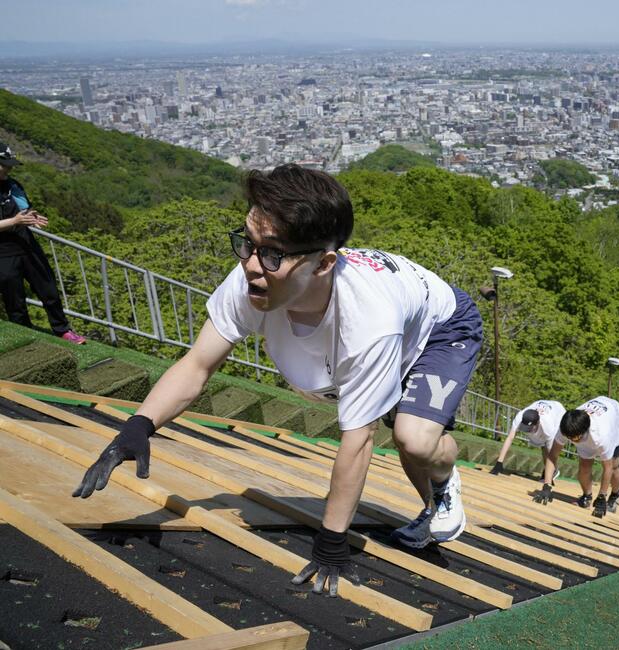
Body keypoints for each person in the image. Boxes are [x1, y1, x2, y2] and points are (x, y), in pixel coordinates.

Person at [72, 164, 482, 596]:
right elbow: (197, 365)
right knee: (401, 429)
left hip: (442, 327)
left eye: (271, 253)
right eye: (247, 244)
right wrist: (139, 427)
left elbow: (357, 441)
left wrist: (331, 543)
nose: (251, 265)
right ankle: (432, 499)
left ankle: (444, 481)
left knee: (413, 438)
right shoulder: (253, 278)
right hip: (394, 321)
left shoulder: (367, 323)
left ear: (323, 264)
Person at [0, 142, 85, 344]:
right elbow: (15, 219)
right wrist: (14, 221)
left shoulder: (13, 185)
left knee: (47, 287)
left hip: (26, 244)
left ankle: (62, 329)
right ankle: (25, 337)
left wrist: (31, 217)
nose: (9, 169)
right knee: (15, 299)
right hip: (3, 253)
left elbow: (25, 209)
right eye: (4, 165)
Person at [534, 396, 619, 518]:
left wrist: (602, 496)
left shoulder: (602, 435)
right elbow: (552, 456)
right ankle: (587, 496)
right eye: (570, 439)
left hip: (617, 422)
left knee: (615, 467)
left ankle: (615, 494)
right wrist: (547, 485)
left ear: (586, 431)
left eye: (575, 439)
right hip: (591, 427)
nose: (572, 441)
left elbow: (607, 468)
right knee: (584, 466)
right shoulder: (566, 427)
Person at [490, 400, 565, 479]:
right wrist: (499, 463)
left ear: (538, 423)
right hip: (544, 405)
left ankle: (554, 471)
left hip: (558, 414)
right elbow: (510, 438)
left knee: (547, 448)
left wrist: (548, 476)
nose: (527, 431)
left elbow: (552, 453)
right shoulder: (520, 417)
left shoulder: (548, 427)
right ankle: (549, 470)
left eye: (530, 428)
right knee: (543, 446)